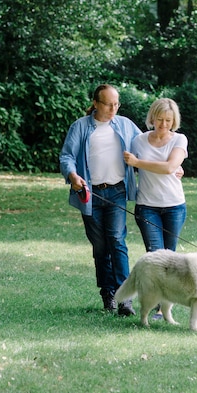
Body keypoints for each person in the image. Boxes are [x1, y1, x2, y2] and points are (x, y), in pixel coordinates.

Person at [59, 84, 141, 316]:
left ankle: (125, 297)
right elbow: (67, 156)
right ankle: (108, 293)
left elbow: (146, 146)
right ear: (96, 103)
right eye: (108, 104)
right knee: (101, 246)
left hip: (116, 191)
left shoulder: (125, 125)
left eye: (116, 104)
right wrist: (73, 176)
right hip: (90, 194)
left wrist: (173, 166)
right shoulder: (81, 126)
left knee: (116, 240)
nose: (113, 108)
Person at [123, 98, 188, 253]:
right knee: (154, 256)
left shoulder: (180, 139)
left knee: (170, 255)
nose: (163, 124)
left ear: (174, 121)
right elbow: (126, 166)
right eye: (159, 119)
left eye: (168, 120)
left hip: (174, 205)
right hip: (147, 206)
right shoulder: (138, 140)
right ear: (152, 118)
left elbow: (169, 167)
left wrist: (137, 162)